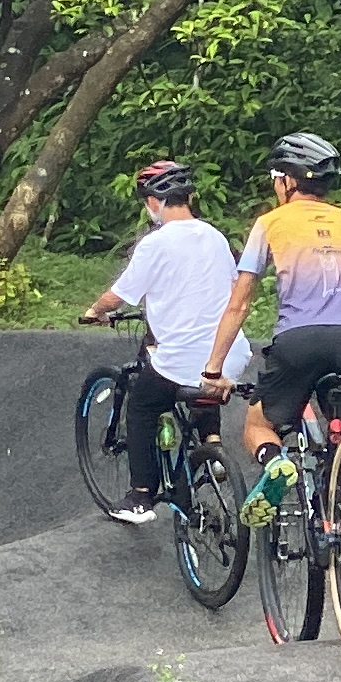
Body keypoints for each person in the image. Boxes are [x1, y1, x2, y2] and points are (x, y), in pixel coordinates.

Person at [193, 131, 341, 526]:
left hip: (298, 343)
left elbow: (239, 303)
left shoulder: (270, 223)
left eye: (276, 176)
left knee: (257, 424)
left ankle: (276, 464)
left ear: (288, 180)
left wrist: (212, 370)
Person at [78, 160, 251, 526]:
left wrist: (96, 311)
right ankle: (212, 444)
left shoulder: (154, 244)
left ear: (154, 202)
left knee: (142, 406)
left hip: (183, 358)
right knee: (202, 374)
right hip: (231, 354)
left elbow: (119, 296)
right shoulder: (215, 236)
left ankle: (141, 496)